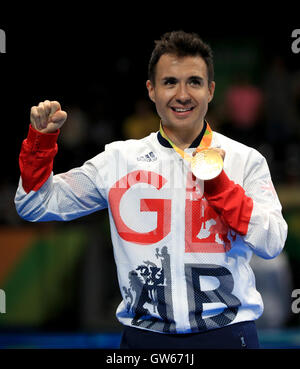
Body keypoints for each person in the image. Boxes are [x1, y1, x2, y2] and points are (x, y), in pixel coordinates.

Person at [14, 31, 287, 349]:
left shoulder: (245, 160)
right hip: (144, 341)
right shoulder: (118, 160)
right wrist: (40, 144)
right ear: (151, 90)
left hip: (229, 337)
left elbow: (272, 241)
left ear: (211, 90)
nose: (182, 94)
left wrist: (219, 184)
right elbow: (34, 204)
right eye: (170, 82)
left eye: (194, 82)